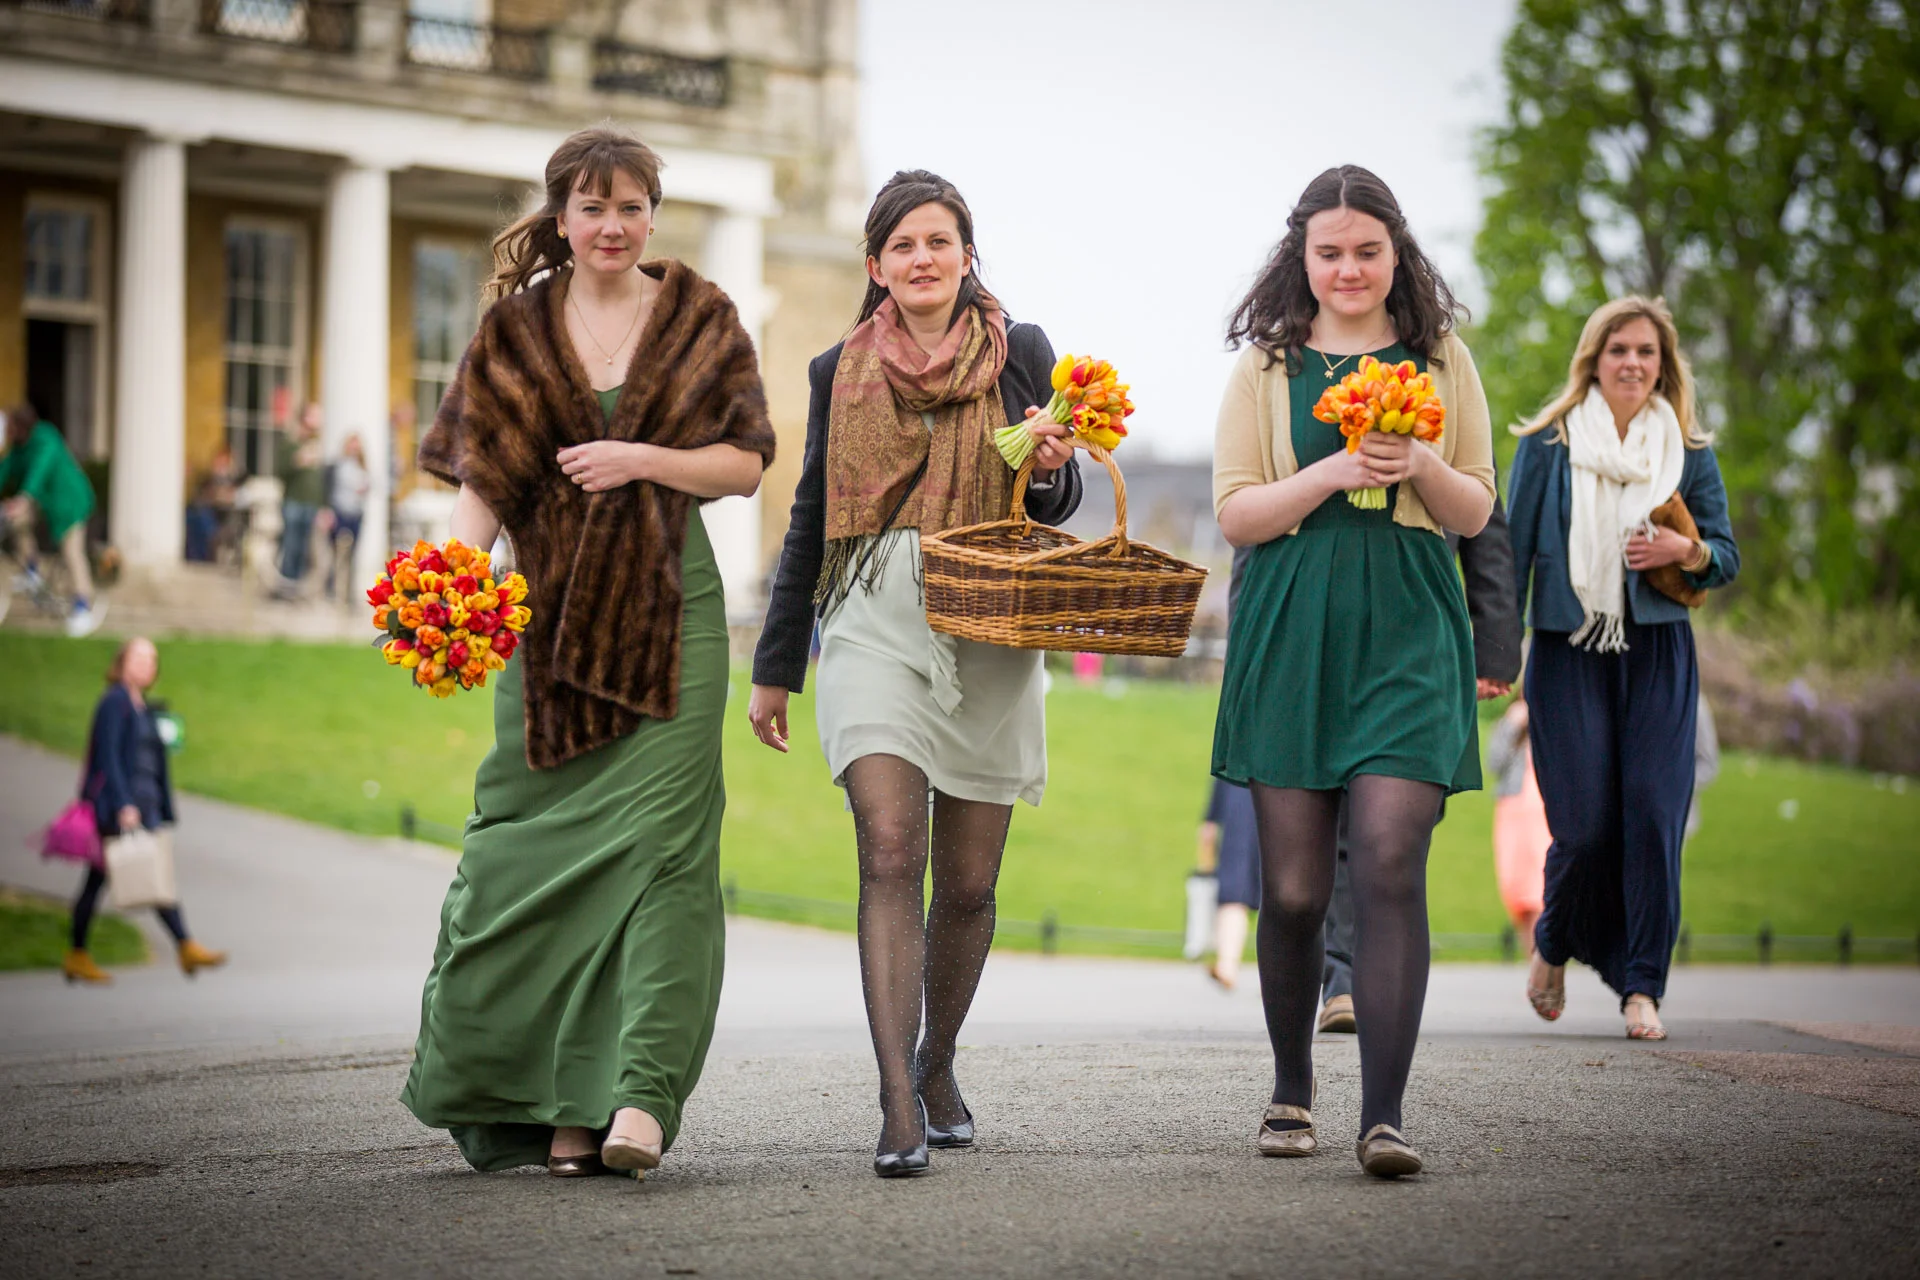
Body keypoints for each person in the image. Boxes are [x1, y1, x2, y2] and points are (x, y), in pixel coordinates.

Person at [401, 126, 775, 1180]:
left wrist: (640, 457)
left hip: (673, 623)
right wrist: (449, 586)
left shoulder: (701, 317)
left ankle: (639, 1097)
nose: (613, 225)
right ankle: (560, 1107)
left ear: (653, 215)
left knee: (665, 857)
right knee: (528, 859)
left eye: (631, 206)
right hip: (550, 631)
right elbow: (482, 482)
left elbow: (746, 463)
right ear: (561, 216)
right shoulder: (513, 331)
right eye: (592, 206)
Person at [748, 170, 1083, 1178]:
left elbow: (1055, 500)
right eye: (903, 245)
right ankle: (897, 1095)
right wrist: (776, 664)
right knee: (891, 850)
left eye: (940, 241)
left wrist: (1054, 466)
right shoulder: (835, 370)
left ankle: (938, 1061)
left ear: (967, 254)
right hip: (872, 618)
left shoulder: (1023, 351)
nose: (923, 258)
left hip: (989, 618)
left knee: (969, 884)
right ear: (877, 264)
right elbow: (810, 516)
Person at [1212, 165, 1496, 1178]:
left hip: (1409, 626)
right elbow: (1236, 513)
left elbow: (1476, 508)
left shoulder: (1442, 358)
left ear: (1395, 253)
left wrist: (1417, 459)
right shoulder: (1267, 366)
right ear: (1302, 257)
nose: (1348, 269)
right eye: (1329, 252)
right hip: (1293, 627)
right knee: (1293, 890)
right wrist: (1333, 468)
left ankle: (1384, 1117)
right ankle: (1292, 1087)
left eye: (1367, 251)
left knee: (1386, 858)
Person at [1509, 296, 1739, 1041]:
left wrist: (1686, 552)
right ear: (1594, 360)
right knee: (1582, 826)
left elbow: (1725, 556)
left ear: (1663, 365)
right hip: (1566, 647)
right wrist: (1494, 653)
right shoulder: (1546, 446)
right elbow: (1510, 558)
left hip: (1659, 652)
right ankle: (1553, 939)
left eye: (1646, 352)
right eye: (1619, 350)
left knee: (1653, 816)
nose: (1633, 363)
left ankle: (1643, 988)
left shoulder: (1687, 449)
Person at [1319, 487, 1523, 1032]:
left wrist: (1496, 645)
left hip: (1422, 634)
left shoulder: (1451, 423)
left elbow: (1484, 520)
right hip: (1324, 628)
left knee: (1396, 828)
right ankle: (1342, 979)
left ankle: (1375, 978)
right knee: (1336, 813)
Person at [63, 637, 226, 985]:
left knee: (111, 880)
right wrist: (123, 803)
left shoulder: (144, 707)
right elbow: (107, 755)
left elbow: (154, 760)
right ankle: (183, 944)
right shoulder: (115, 702)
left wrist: (161, 805)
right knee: (135, 878)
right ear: (121, 663)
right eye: (138, 658)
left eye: (151, 660)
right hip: (121, 810)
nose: (146, 665)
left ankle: (82, 954)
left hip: (144, 806)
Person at [1, 403, 104, 636]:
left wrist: (24, 497)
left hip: (70, 502)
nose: (8, 433)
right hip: (44, 501)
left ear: (22, 427)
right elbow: (5, 469)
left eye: (11, 428)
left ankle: (82, 605)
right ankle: (31, 569)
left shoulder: (46, 439)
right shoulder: (19, 447)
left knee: (71, 551)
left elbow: (39, 470)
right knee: (16, 522)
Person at [1485, 691, 1549, 953]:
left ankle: (1543, 960)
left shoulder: (1555, 725)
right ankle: (1532, 960)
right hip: (1513, 813)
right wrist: (1511, 726)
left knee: (1539, 889)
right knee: (1517, 890)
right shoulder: (1510, 726)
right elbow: (1493, 763)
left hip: (1544, 818)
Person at [1198, 778, 1260, 990]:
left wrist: (1209, 821)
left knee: (1235, 897)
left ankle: (1228, 966)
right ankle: (1228, 966)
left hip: (1240, 825)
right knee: (1236, 897)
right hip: (1257, 822)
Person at [272, 403, 326, 599]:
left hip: (311, 505)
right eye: (314, 416)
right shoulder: (290, 444)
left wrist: (322, 507)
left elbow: (319, 481)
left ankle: (296, 588)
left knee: (304, 550)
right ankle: (284, 587)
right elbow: (279, 472)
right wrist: (297, 461)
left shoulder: (316, 445)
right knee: (290, 545)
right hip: (293, 502)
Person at [323, 432, 370, 601]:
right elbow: (328, 489)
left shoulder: (363, 467)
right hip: (340, 512)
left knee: (353, 555)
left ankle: (349, 593)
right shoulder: (337, 466)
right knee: (334, 553)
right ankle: (330, 589)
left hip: (356, 513)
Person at [185, 445, 239, 564]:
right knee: (190, 517)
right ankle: (195, 558)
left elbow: (231, 497)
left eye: (222, 461)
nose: (218, 464)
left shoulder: (235, 479)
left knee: (204, 523)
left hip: (221, 518)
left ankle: (201, 558)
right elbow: (203, 495)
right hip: (203, 513)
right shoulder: (208, 478)